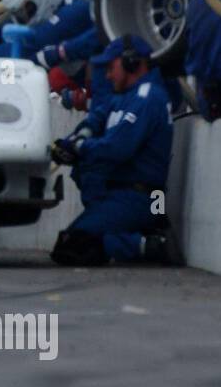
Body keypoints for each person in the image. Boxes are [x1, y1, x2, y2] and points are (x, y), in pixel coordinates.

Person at [49, 35, 180, 266]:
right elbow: (96, 119)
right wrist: (71, 143)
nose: (108, 75)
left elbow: (117, 148)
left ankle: (150, 245)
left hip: (141, 198)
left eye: (112, 67)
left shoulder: (148, 97)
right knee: (76, 244)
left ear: (132, 62)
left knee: (72, 245)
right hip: (123, 195)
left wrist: (81, 148)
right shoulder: (123, 97)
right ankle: (143, 237)